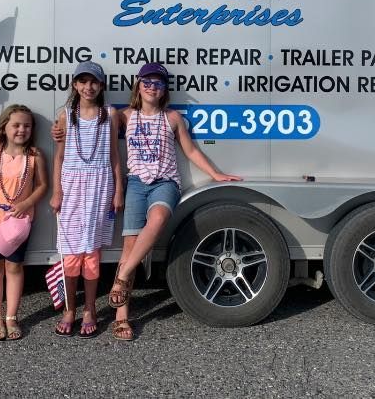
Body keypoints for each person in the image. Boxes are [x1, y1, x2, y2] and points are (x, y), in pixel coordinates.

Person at [111, 63, 241, 341]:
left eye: (158, 83)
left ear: (164, 89)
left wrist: (215, 173)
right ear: (138, 85)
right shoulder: (124, 116)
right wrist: (61, 129)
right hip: (136, 183)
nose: (152, 87)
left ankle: (123, 276)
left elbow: (191, 150)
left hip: (165, 182)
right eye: (147, 82)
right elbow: (96, 129)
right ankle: (121, 318)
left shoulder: (173, 118)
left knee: (158, 218)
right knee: (130, 246)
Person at [49, 61, 122, 338]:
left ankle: (90, 308)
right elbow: (59, 157)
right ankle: (70, 309)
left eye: (94, 82)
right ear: (75, 85)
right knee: (70, 252)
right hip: (72, 187)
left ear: (101, 85)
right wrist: (57, 192)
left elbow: (115, 155)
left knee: (91, 253)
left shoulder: (109, 114)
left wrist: (118, 190)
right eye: (83, 81)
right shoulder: (66, 115)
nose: (88, 87)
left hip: (99, 187)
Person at [0, 104, 48, 341]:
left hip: (18, 222)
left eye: (26, 125)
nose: (21, 130)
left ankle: (12, 316)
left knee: (14, 267)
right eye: (16, 125)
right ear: (4, 127)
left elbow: (43, 185)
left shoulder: (35, 156)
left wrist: (26, 204)